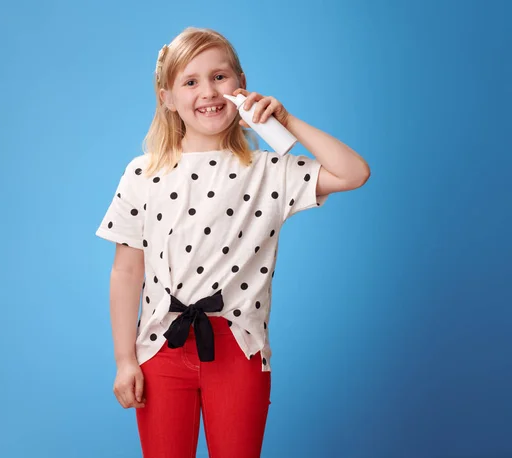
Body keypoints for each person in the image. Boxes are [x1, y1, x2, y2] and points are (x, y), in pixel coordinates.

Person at [95, 26, 370, 458]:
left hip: (238, 347)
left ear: (241, 86)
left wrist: (285, 122)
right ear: (167, 98)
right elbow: (127, 270)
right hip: (160, 349)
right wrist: (124, 359)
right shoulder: (141, 173)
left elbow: (354, 172)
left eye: (220, 77)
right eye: (190, 81)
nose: (208, 91)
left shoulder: (270, 170)